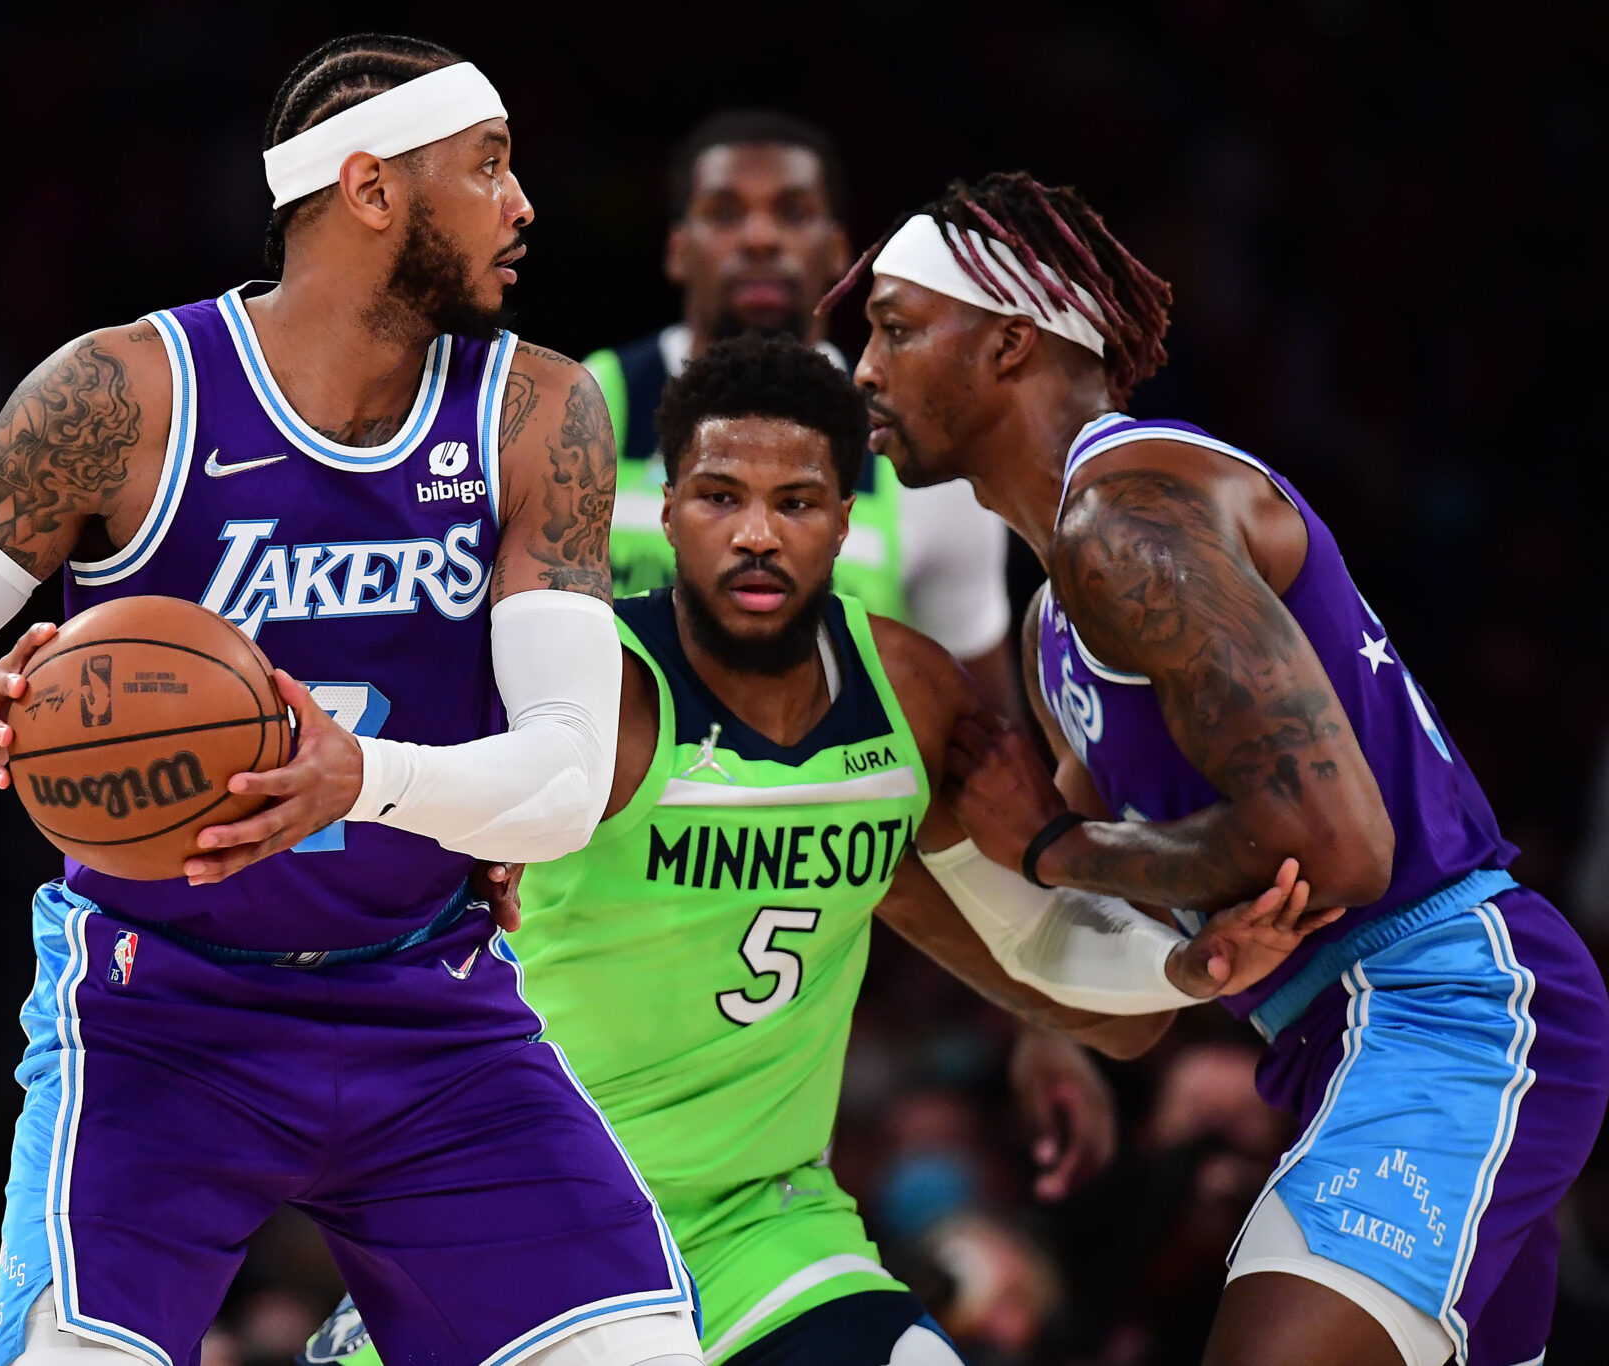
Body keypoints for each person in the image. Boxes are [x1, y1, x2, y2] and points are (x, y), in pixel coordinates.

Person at [0, 33, 706, 1366]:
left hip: (431, 1010)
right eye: (487, 167)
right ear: (370, 187)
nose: (522, 206)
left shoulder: (537, 411)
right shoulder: (122, 397)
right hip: (159, 1017)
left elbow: (566, 781)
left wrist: (366, 778)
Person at [304, 335, 1336, 1366]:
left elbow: (1033, 944)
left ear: (844, 520)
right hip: (534, 1219)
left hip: (760, 1227)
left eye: (794, 502)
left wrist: (1184, 963)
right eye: (719, 497)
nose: (755, 534)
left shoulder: (910, 695)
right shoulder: (588, 689)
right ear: (667, 509)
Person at [836, 171, 1609, 1366]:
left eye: (894, 328)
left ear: (1005, 341)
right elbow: (1127, 992)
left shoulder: (1126, 517)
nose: (862, 372)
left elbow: (1336, 848)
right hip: (1329, 1042)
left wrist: (1053, 846)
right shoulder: (1052, 628)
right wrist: (906, 882)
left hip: (1441, 1005)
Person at [584, 111, 1020, 717]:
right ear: (678, 251)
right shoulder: (585, 406)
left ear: (839, 251)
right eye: (725, 214)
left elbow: (982, 726)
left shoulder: (920, 446)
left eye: (793, 214)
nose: (760, 239)